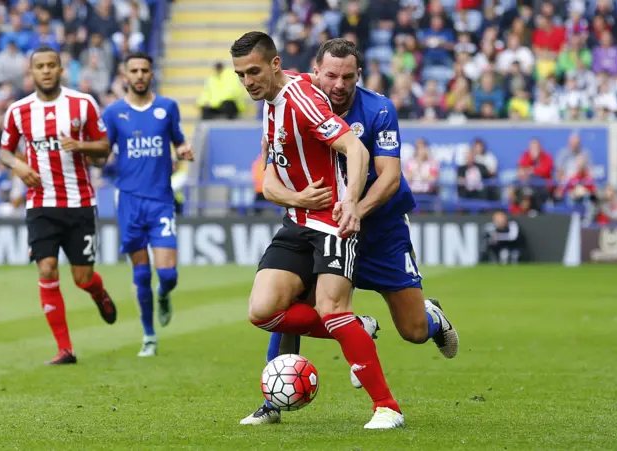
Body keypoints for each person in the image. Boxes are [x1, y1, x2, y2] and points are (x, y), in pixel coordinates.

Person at [241, 39, 458, 426]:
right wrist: (301, 199)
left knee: (410, 330)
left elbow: (390, 176)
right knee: (288, 301)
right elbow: (271, 174)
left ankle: (432, 320)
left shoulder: (378, 108)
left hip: (379, 225)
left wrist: (354, 207)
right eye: (331, 75)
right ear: (315, 71)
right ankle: (273, 403)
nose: (339, 84)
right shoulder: (291, 96)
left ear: (359, 75)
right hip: (327, 220)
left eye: (348, 77)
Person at [0, 46, 117, 365]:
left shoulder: (82, 103)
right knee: (47, 268)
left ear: (61, 69)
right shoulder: (18, 111)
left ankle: (97, 292)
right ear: (32, 71)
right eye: (40, 66)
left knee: (81, 277)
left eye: (52, 65)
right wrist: (19, 167)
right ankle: (65, 349)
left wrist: (80, 145)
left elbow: (104, 149)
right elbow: (5, 151)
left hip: (79, 203)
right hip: (40, 205)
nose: (47, 71)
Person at [101, 52, 193, 357]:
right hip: (128, 201)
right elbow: (104, 153)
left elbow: (178, 140)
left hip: (161, 201)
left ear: (151, 74)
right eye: (134, 70)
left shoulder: (167, 107)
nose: (139, 75)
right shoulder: (114, 113)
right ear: (125, 75)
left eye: (144, 70)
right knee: (141, 274)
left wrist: (183, 149)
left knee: (167, 274)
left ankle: (164, 295)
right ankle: (149, 336)